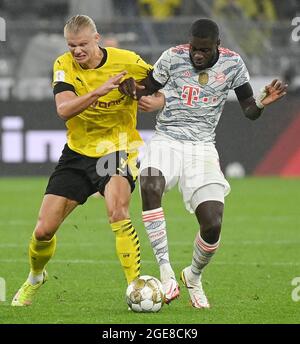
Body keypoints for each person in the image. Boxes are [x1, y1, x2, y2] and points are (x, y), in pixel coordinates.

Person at [118, 18, 287, 308]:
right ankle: (166, 271)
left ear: (217, 46)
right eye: (194, 48)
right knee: (149, 183)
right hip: (166, 139)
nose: (197, 55)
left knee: (212, 224)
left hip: (202, 148)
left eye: (204, 51)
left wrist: (260, 103)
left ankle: (193, 275)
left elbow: (249, 110)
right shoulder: (172, 57)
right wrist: (130, 88)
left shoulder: (233, 64)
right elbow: (147, 87)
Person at [11, 14, 153, 306]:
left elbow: (159, 94)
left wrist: (142, 96)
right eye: (72, 45)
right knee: (43, 230)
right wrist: (99, 91)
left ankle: (135, 288)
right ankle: (36, 277)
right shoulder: (63, 65)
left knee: (118, 211)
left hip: (117, 149)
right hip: (77, 153)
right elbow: (64, 110)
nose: (76, 51)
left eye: (82, 44)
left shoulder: (128, 61)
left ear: (97, 39)